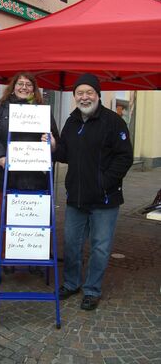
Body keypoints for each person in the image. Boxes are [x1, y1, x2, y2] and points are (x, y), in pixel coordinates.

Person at [52, 73, 133, 310]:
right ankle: (71, 283)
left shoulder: (113, 121)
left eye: (89, 92)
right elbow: (65, 153)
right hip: (76, 197)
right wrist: (54, 147)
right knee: (71, 243)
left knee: (100, 246)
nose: (84, 97)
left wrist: (103, 182)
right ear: (75, 96)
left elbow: (124, 156)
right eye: (80, 93)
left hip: (105, 199)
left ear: (97, 95)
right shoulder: (71, 121)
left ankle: (92, 290)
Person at [0, 71, 60, 267]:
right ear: (13, 86)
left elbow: (55, 139)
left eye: (28, 84)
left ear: (34, 89)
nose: (24, 87)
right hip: (7, 175)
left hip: (37, 177)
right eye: (20, 84)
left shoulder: (42, 110)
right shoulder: (1, 109)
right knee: (7, 220)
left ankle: (35, 260)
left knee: (35, 220)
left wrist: (51, 142)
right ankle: (8, 260)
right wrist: (0, 157)